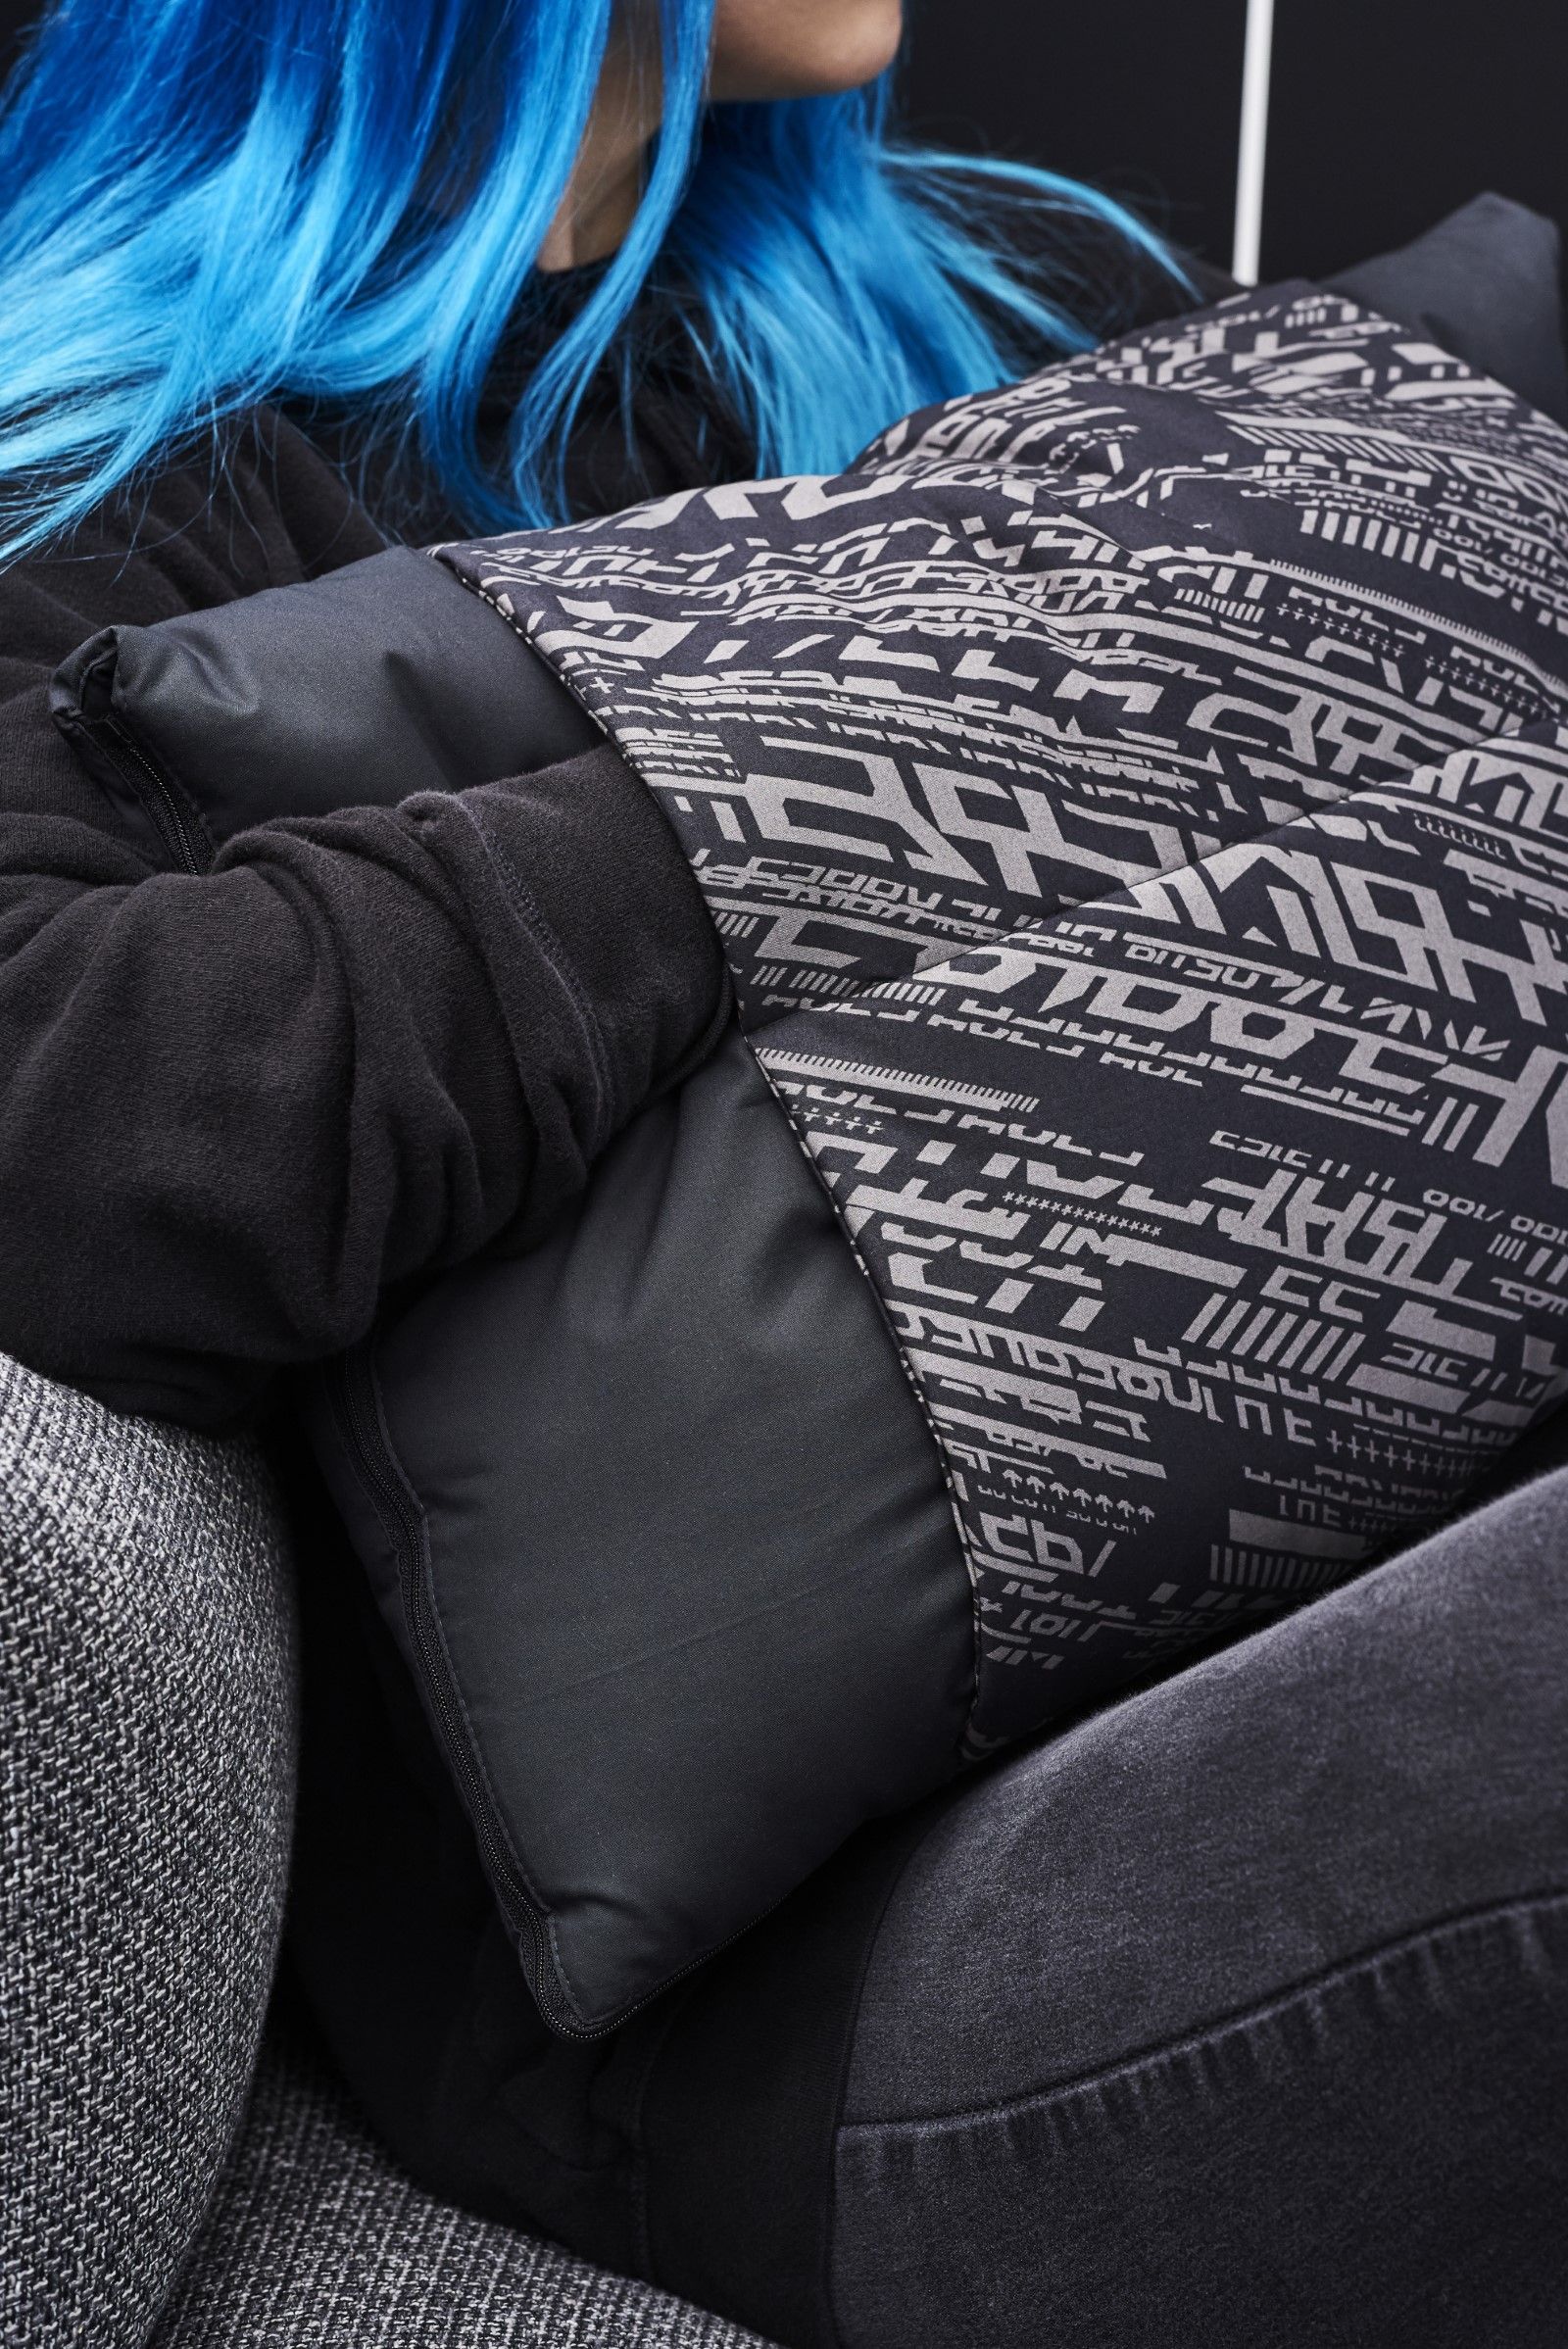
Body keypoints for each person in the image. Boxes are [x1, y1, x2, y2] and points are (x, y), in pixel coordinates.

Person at [0, 4, 1561, 2344]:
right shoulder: (98, 459)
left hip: (1309, 1586)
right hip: (753, 1990)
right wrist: (845, 770)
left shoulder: (995, 320)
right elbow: (76, 1123)